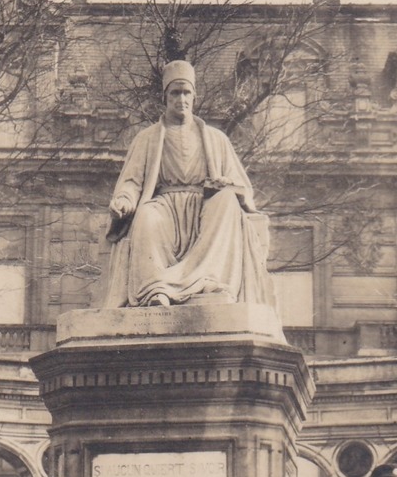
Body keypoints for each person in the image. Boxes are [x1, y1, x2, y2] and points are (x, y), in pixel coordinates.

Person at [103, 59, 275, 310]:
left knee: (227, 201)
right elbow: (132, 181)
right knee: (146, 216)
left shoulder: (217, 139)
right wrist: (124, 201)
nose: (181, 99)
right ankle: (156, 289)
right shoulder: (147, 138)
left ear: (194, 97)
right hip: (164, 207)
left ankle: (208, 281)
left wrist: (226, 185)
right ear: (166, 97)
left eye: (186, 93)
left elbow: (241, 187)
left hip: (204, 209)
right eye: (175, 93)